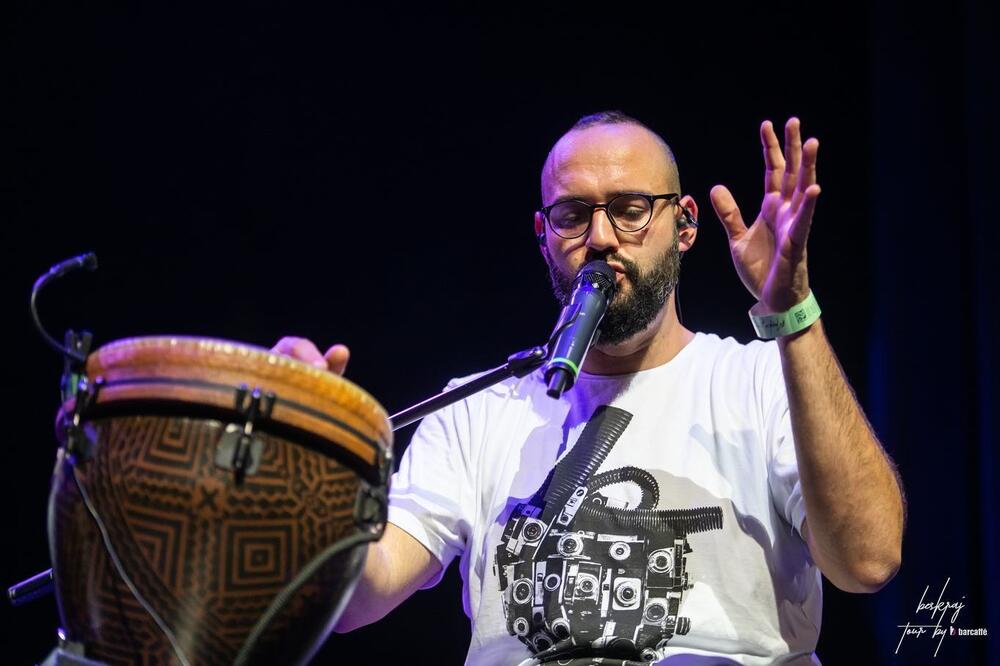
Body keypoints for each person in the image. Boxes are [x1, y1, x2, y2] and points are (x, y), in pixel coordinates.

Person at [274, 112, 905, 665]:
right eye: (574, 215)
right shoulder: (476, 410)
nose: (600, 238)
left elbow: (868, 560)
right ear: (542, 235)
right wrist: (304, 455)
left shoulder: (760, 380)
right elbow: (357, 599)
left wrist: (794, 314)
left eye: (630, 210)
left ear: (684, 226)